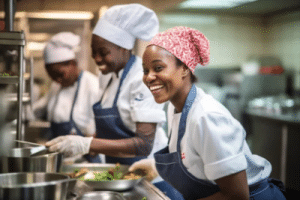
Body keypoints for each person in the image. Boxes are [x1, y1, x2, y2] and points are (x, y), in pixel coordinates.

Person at [129, 26, 287, 200]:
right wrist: (154, 166)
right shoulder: (174, 108)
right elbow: (193, 158)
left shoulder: (207, 116)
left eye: (158, 68)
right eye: (145, 70)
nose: (149, 77)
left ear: (184, 68)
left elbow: (237, 196)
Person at [45, 4, 185, 199]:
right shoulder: (107, 77)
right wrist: (73, 144)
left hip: (152, 180)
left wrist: (86, 144)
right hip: (121, 176)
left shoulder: (142, 80)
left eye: (103, 52)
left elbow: (143, 144)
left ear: (123, 47)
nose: (96, 58)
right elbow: (111, 130)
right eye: (94, 52)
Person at [33, 32, 101, 162]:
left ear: (72, 63)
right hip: (58, 158)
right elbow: (41, 108)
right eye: (52, 77)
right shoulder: (56, 86)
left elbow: (104, 128)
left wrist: (86, 144)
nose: (57, 80)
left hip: (85, 161)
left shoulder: (92, 85)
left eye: (60, 74)